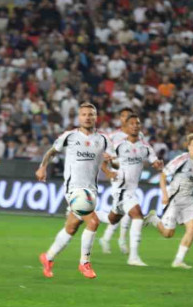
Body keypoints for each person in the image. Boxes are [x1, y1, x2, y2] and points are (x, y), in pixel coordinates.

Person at [36, 103, 115, 279]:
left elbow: (113, 161)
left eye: (91, 114)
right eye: (84, 114)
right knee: (93, 221)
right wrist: (42, 168)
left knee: (71, 227)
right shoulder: (69, 136)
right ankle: (84, 263)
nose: (87, 117)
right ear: (79, 117)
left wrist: (112, 162)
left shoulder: (103, 139)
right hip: (73, 189)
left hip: (91, 189)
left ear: (96, 117)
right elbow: (51, 152)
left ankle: (48, 257)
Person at [95, 114, 162, 265]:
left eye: (137, 123)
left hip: (131, 189)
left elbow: (155, 162)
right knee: (137, 216)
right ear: (125, 127)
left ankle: (92, 214)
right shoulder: (119, 145)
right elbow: (103, 162)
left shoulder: (145, 148)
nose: (135, 126)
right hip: (121, 188)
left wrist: (158, 165)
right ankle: (133, 257)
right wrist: (108, 172)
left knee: (112, 219)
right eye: (132, 123)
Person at [144, 133, 193, 269]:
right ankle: (154, 219)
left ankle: (178, 260)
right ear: (188, 147)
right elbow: (163, 175)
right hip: (174, 198)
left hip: (188, 200)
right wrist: (165, 194)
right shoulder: (181, 159)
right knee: (168, 234)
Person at [98, 107, 144, 255]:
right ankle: (122, 240)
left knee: (121, 211)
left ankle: (107, 238)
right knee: (129, 208)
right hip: (118, 176)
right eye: (123, 116)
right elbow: (103, 156)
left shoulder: (139, 135)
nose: (125, 119)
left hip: (132, 176)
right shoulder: (113, 136)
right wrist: (108, 171)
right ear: (120, 119)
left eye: (128, 116)